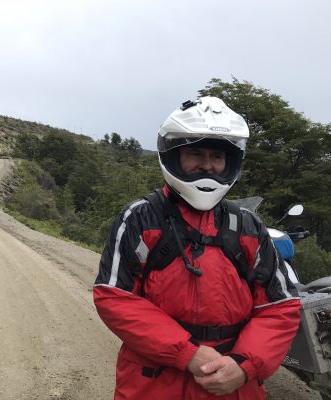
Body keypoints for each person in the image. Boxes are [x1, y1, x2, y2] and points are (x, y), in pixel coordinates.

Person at [93, 97, 302, 399]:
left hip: (233, 385)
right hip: (155, 383)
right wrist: (185, 352)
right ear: (174, 156)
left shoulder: (248, 227)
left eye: (216, 156)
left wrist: (244, 365)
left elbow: (280, 306)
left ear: (229, 162)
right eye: (195, 153)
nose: (207, 164)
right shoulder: (141, 218)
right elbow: (114, 297)